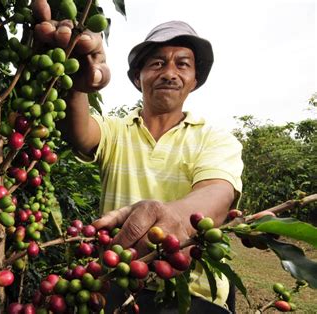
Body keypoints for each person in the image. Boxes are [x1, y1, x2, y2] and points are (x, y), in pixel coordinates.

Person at [35, 12, 243, 313]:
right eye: (157, 63)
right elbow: (79, 133)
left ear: (194, 80)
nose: (170, 72)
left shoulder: (215, 139)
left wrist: (171, 216)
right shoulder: (116, 131)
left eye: (182, 64)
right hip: (116, 281)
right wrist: (78, 82)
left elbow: (219, 193)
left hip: (192, 293)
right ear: (137, 77)